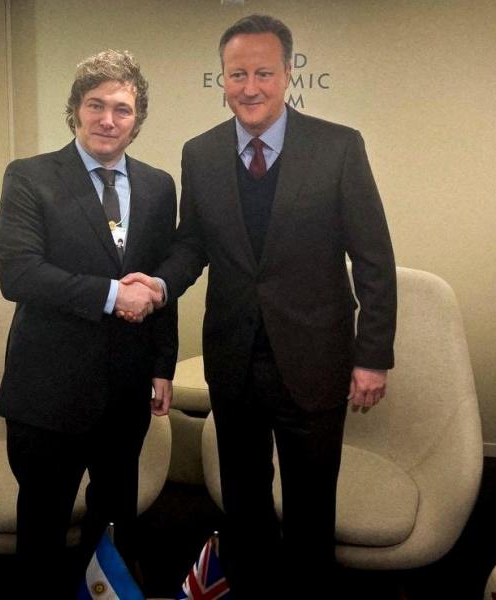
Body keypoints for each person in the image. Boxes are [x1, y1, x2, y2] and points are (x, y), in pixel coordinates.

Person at [123, 14, 396, 595]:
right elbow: (193, 242)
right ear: (222, 79)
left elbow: (373, 260)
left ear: (288, 73)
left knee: (310, 501)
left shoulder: (338, 146)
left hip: (316, 358)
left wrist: (373, 356)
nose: (250, 86)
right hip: (234, 356)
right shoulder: (200, 153)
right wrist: (161, 284)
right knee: (241, 502)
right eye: (237, 74)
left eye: (263, 73)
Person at [0, 49, 177, 597]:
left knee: (114, 523)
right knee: (43, 530)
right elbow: (19, 274)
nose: (107, 120)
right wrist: (111, 294)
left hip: (126, 392)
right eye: (95, 105)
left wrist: (163, 364)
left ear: (137, 118)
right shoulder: (30, 177)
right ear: (74, 110)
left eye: (122, 109)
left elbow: (161, 280)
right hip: (47, 392)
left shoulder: (158, 186)